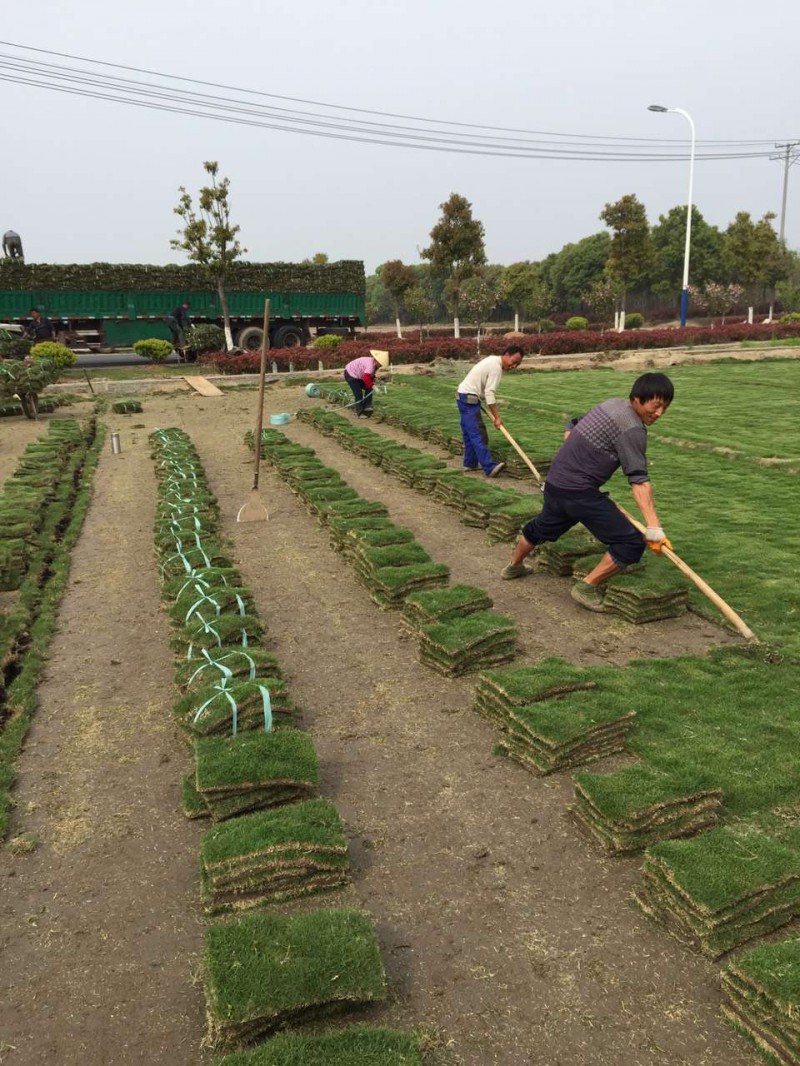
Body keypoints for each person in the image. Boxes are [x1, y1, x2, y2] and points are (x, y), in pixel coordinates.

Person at [501, 372, 674, 612]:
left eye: (665, 408)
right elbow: (639, 481)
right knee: (631, 542)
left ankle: (513, 566)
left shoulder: (610, 405)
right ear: (637, 398)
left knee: (541, 527)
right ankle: (587, 587)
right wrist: (653, 528)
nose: (659, 414)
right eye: (655, 406)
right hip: (578, 492)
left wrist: (575, 451)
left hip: (556, 483)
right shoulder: (632, 428)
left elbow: (572, 424)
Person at [456, 345, 523, 477]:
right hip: (469, 399)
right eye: (514, 361)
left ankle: (470, 463)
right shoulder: (496, 368)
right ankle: (489, 467)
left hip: (463, 396)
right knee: (478, 434)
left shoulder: (492, 360)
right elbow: (489, 393)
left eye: (517, 364)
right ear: (507, 355)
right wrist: (496, 418)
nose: (514, 366)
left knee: (469, 433)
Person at [343, 349, 389, 417]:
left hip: (358, 375)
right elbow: (366, 377)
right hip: (350, 374)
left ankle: (367, 406)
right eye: (380, 364)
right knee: (358, 393)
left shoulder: (374, 364)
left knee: (368, 387)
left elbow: (370, 375)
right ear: (377, 361)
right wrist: (374, 387)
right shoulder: (370, 364)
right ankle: (360, 412)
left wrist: (375, 380)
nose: (380, 366)